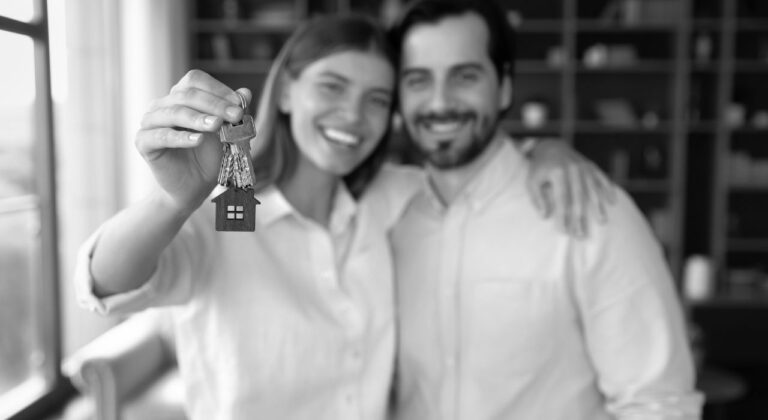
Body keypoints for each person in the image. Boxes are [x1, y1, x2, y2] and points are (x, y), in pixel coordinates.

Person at [73, 13, 610, 420]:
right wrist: (171, 202)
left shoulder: (394, 197)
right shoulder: (224, 216)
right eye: (332, 88)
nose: (354, 115)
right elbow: (105, 282)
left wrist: (545, 149)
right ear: (286, 90)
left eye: (377, 99)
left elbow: (477, 170)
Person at [387, 1, 704, 419]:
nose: (440, 102)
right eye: (418, 80)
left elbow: (659, 404)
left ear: (503, 87)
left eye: (465, 77)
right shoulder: (383, 218)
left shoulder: (587, 211)